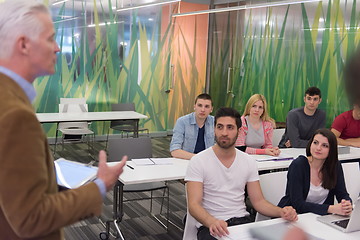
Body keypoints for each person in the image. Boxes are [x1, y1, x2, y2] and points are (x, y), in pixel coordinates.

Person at [0, 1, 127, 239]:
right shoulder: (15, 115)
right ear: (24, 44)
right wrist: (100, 186)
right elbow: (31, 218)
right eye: (50, 38)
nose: (57, 48)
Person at [185, 107, 297, 240]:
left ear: (239, 131)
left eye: (230, 127)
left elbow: (259, 202)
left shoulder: (248, 161)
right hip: (211, 225)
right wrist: (211, 222)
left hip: (241, 222)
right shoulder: (199, 161)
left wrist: (281, 212)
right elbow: (194, 205)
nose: (224, 132)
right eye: (220, 127)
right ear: (214, 129)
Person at [278, 129, 352, 216]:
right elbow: (297, 204)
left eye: (325, 145)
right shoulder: (298, 165)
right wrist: (330, 209)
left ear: (331, 150)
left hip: (320, 218)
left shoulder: (335, 165)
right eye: (315, 143)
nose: (318, 148)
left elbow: (342, 193)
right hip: (294, 217)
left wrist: (346, 204)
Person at [170, 93, 214, 159]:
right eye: (200, 105)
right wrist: (199, 158)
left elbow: (220, 147)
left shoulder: (215, 122)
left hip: (209, 161)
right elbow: (174, 151)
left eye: (206, 106)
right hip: (187, 160)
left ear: (211, 109)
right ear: (194, 107)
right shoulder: (182, 122)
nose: (202, 110)